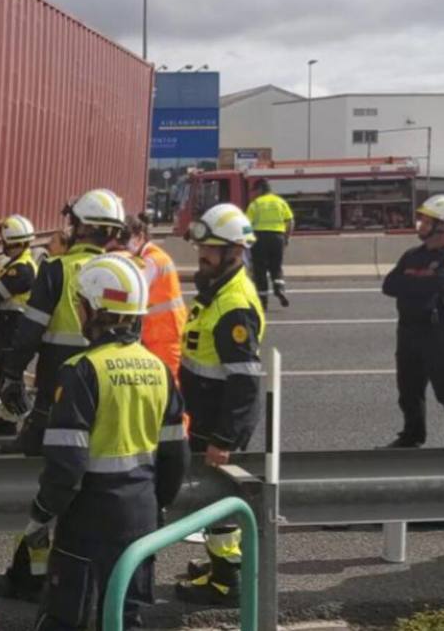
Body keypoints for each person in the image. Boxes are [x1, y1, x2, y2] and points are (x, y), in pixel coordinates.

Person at [0, 254, 188, 628]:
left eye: (80, 303)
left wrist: (41, 515)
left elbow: (67, 468)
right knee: (124, 618)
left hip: (88, 525)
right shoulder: (158, 369)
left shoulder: (82, 372)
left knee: (65, 620)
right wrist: (158, 504)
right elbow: (176, 457)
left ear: (93, 308)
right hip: (141, 517)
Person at [174, 203, 265, 607]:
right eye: (201, 249)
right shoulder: (217, 293)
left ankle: (227, 580)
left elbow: (245, 381)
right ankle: (221, 564)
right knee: (213, 501)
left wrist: (225, 438)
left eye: (209, 250)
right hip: (207, 417)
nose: (202, 257)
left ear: (234, 252)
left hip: (218, 425)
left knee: (217, 500)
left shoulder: (233, 306)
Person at [0, 189, 127, 456]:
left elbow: (30, 329)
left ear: (81, 226)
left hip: (57, 371)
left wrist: (12, 374)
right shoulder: (121, 272)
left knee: (41, 444)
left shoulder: (56, 269)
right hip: (107, 372)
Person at [381, 194, 444, 448]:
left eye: (426, 220)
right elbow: (389, 285)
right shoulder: (412, 254)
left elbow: (439, 283)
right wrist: (423, 281)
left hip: (440, 334)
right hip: (409, 331)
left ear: (443, 225)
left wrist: (412, 283)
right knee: (409, 391)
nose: (420, 224)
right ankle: (411, 436)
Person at [0, 215, 40, 437]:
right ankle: (8, 418)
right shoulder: (17, 264)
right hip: (10, 326)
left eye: (5, 241)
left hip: (14, 327)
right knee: (2, 372)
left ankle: (24, 417)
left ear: (13, 243)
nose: (2, 245)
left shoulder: (21, 270)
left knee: (8, 377)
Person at [120, 213, 185, 379]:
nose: (123, 245)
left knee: (170, 386)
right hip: (161, 334)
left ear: (140, 236)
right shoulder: (151, 257)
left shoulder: (151, 261)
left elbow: (132, 291)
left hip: (164, 337)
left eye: (125, 239)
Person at [245, 179, 294, 309]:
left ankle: (263, 300)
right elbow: (290, 221)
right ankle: (279, 289)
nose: (253, 194)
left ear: (260, 189)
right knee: (276, 266)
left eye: (254, 191)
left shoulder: (255, 204)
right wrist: (287, 238)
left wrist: (245, 240)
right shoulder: (280, 202)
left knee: (259, 269)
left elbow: (246, 225)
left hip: (259, 238)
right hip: (278, 237)